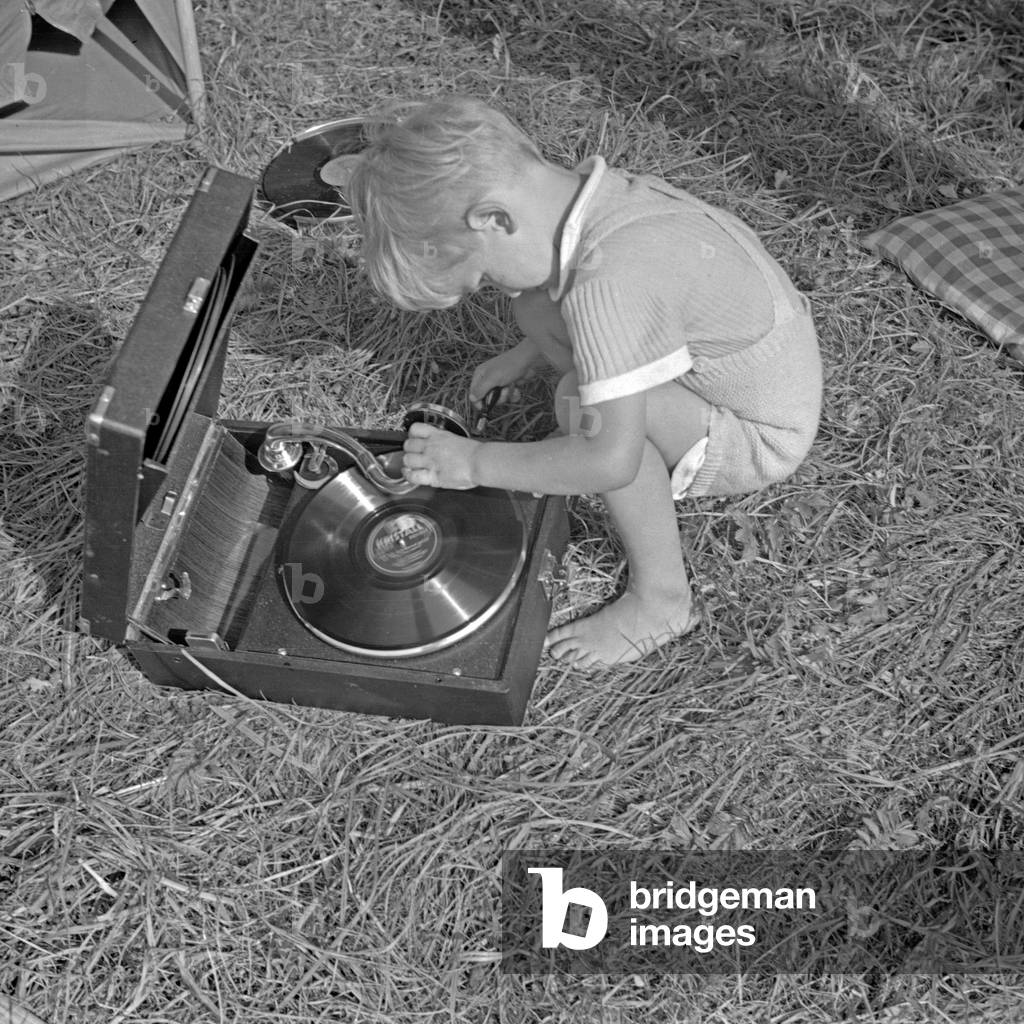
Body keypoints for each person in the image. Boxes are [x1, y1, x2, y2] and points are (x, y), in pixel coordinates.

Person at [347, 95, 822, 669]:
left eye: (485, 276)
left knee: (579, 407)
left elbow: (608, 460)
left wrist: (473, 463)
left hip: (757, 434)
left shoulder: (611, 281)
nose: (497, 288)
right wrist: (527, 351)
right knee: (537, 306)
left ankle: (662, 599)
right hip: (751, 371)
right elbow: (600, 292)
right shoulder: (591, 197)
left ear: (495, 219)